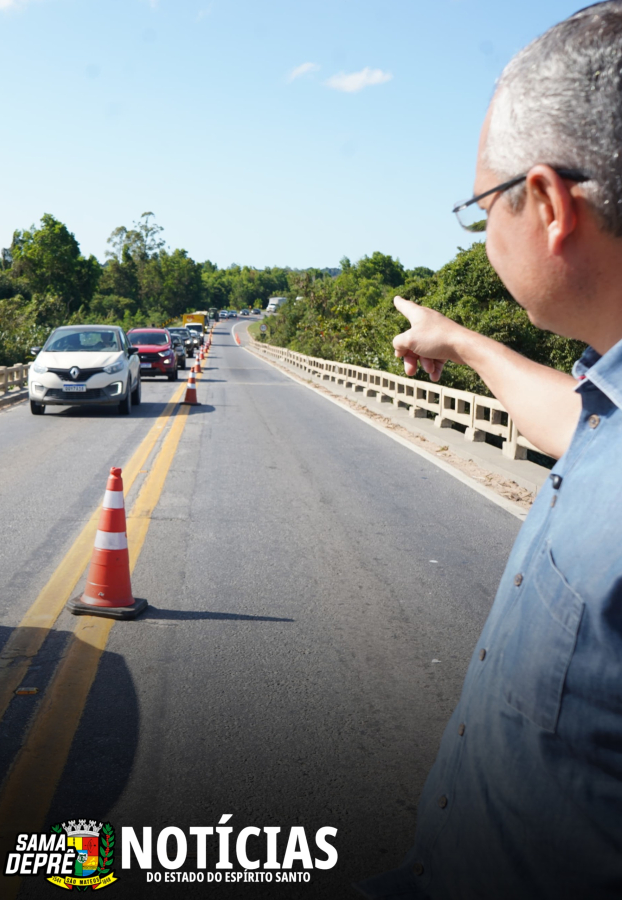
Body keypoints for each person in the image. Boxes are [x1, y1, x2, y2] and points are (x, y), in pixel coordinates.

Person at [357, 4, 622, 898]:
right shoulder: (606, 409)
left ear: (546, 203)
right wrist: (461, 342)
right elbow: (575, 422)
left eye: (482, 203)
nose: (482, 225)